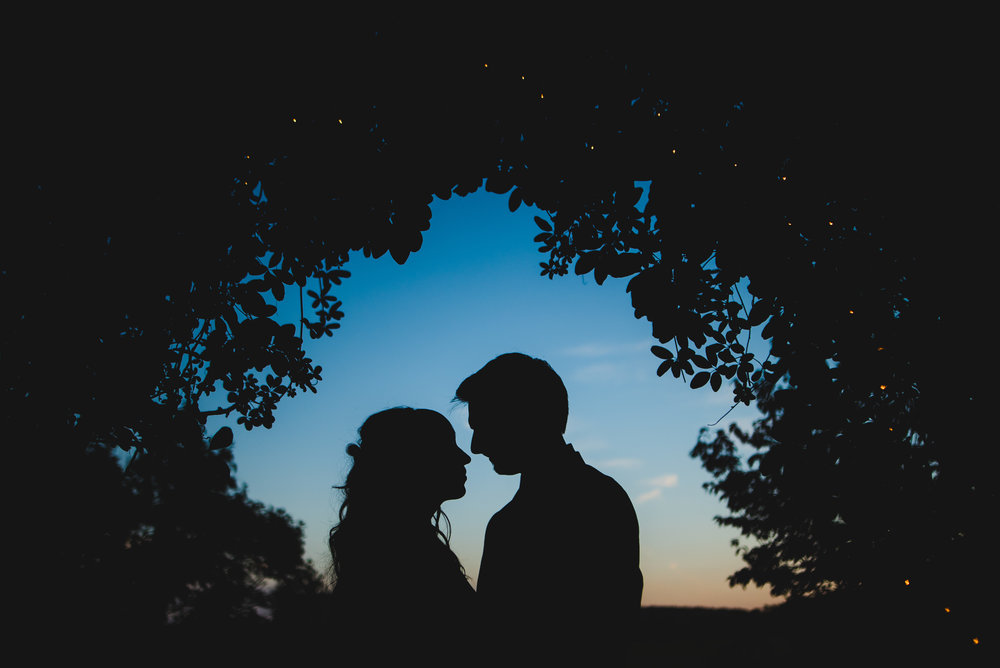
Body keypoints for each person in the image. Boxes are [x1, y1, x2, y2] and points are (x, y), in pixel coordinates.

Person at [455, 353, 643, 665]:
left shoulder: (515, 523)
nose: (476, 446)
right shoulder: (606, 497)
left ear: (522, 418)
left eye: (484, 426)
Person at [328, 407, 475, 663]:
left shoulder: (384, 545)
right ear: (413, 461)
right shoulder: (402, 556)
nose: (465, 457)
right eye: (448, 447)